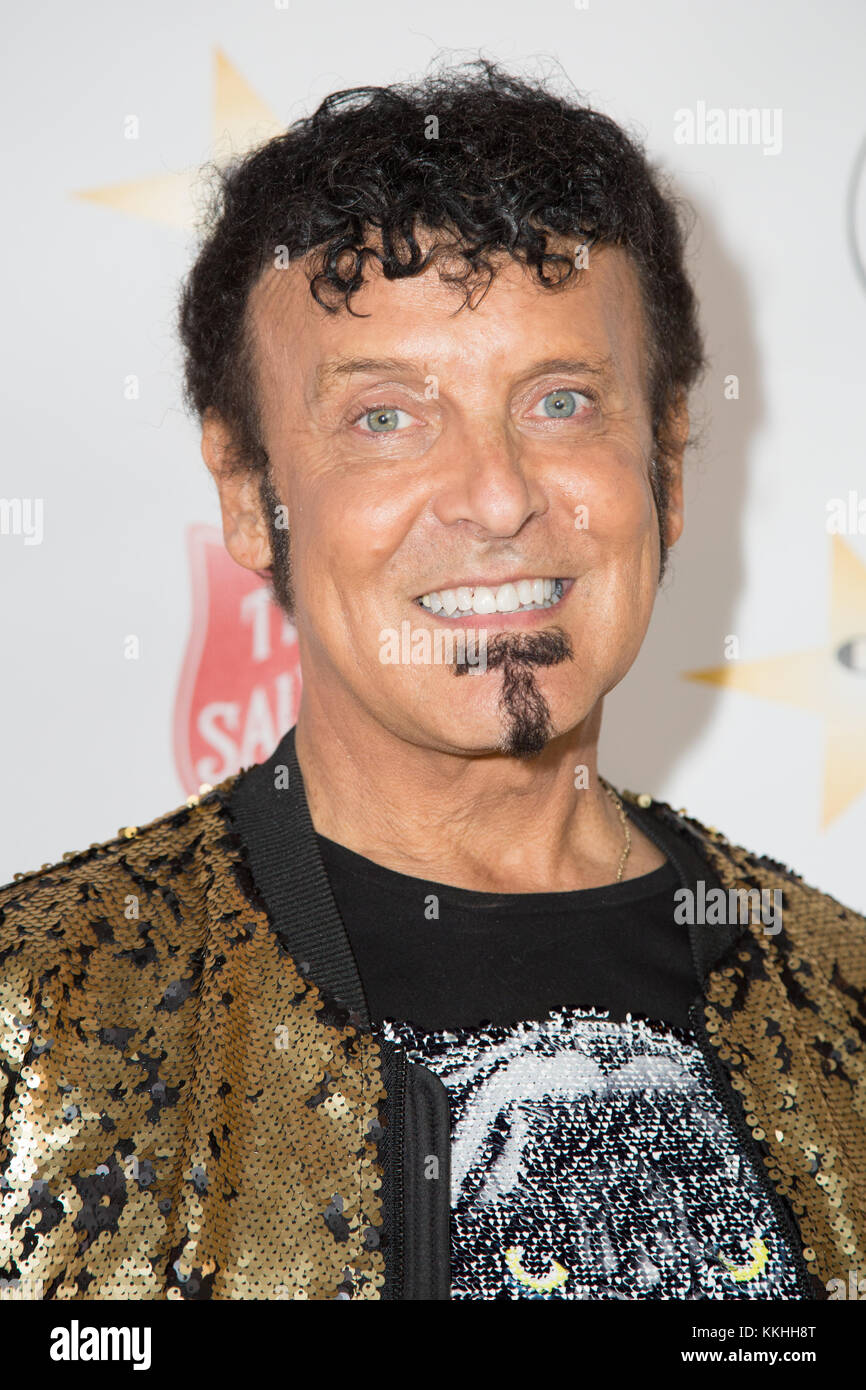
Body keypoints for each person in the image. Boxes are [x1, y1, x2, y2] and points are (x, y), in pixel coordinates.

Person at [1, 61, 863, 1303]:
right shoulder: (40, 1020)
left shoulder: (838, 1000)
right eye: (386, 418)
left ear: (666, 465)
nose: (498, 494)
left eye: (559, 401)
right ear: (250, 492)